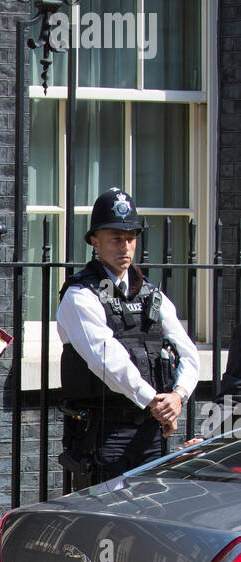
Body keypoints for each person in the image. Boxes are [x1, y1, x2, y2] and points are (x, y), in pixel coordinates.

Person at [56, 187, 199, 485]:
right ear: (95, 242)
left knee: (149, 518)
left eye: (131, 238)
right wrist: (156, 403)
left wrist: (178, 396)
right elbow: (107, 360)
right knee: (104, 524)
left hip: (151, 430)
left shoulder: (151, 295)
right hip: (105, 433)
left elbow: (187, 352)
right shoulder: (80, 294)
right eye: (116, 239)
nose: (125, 247)